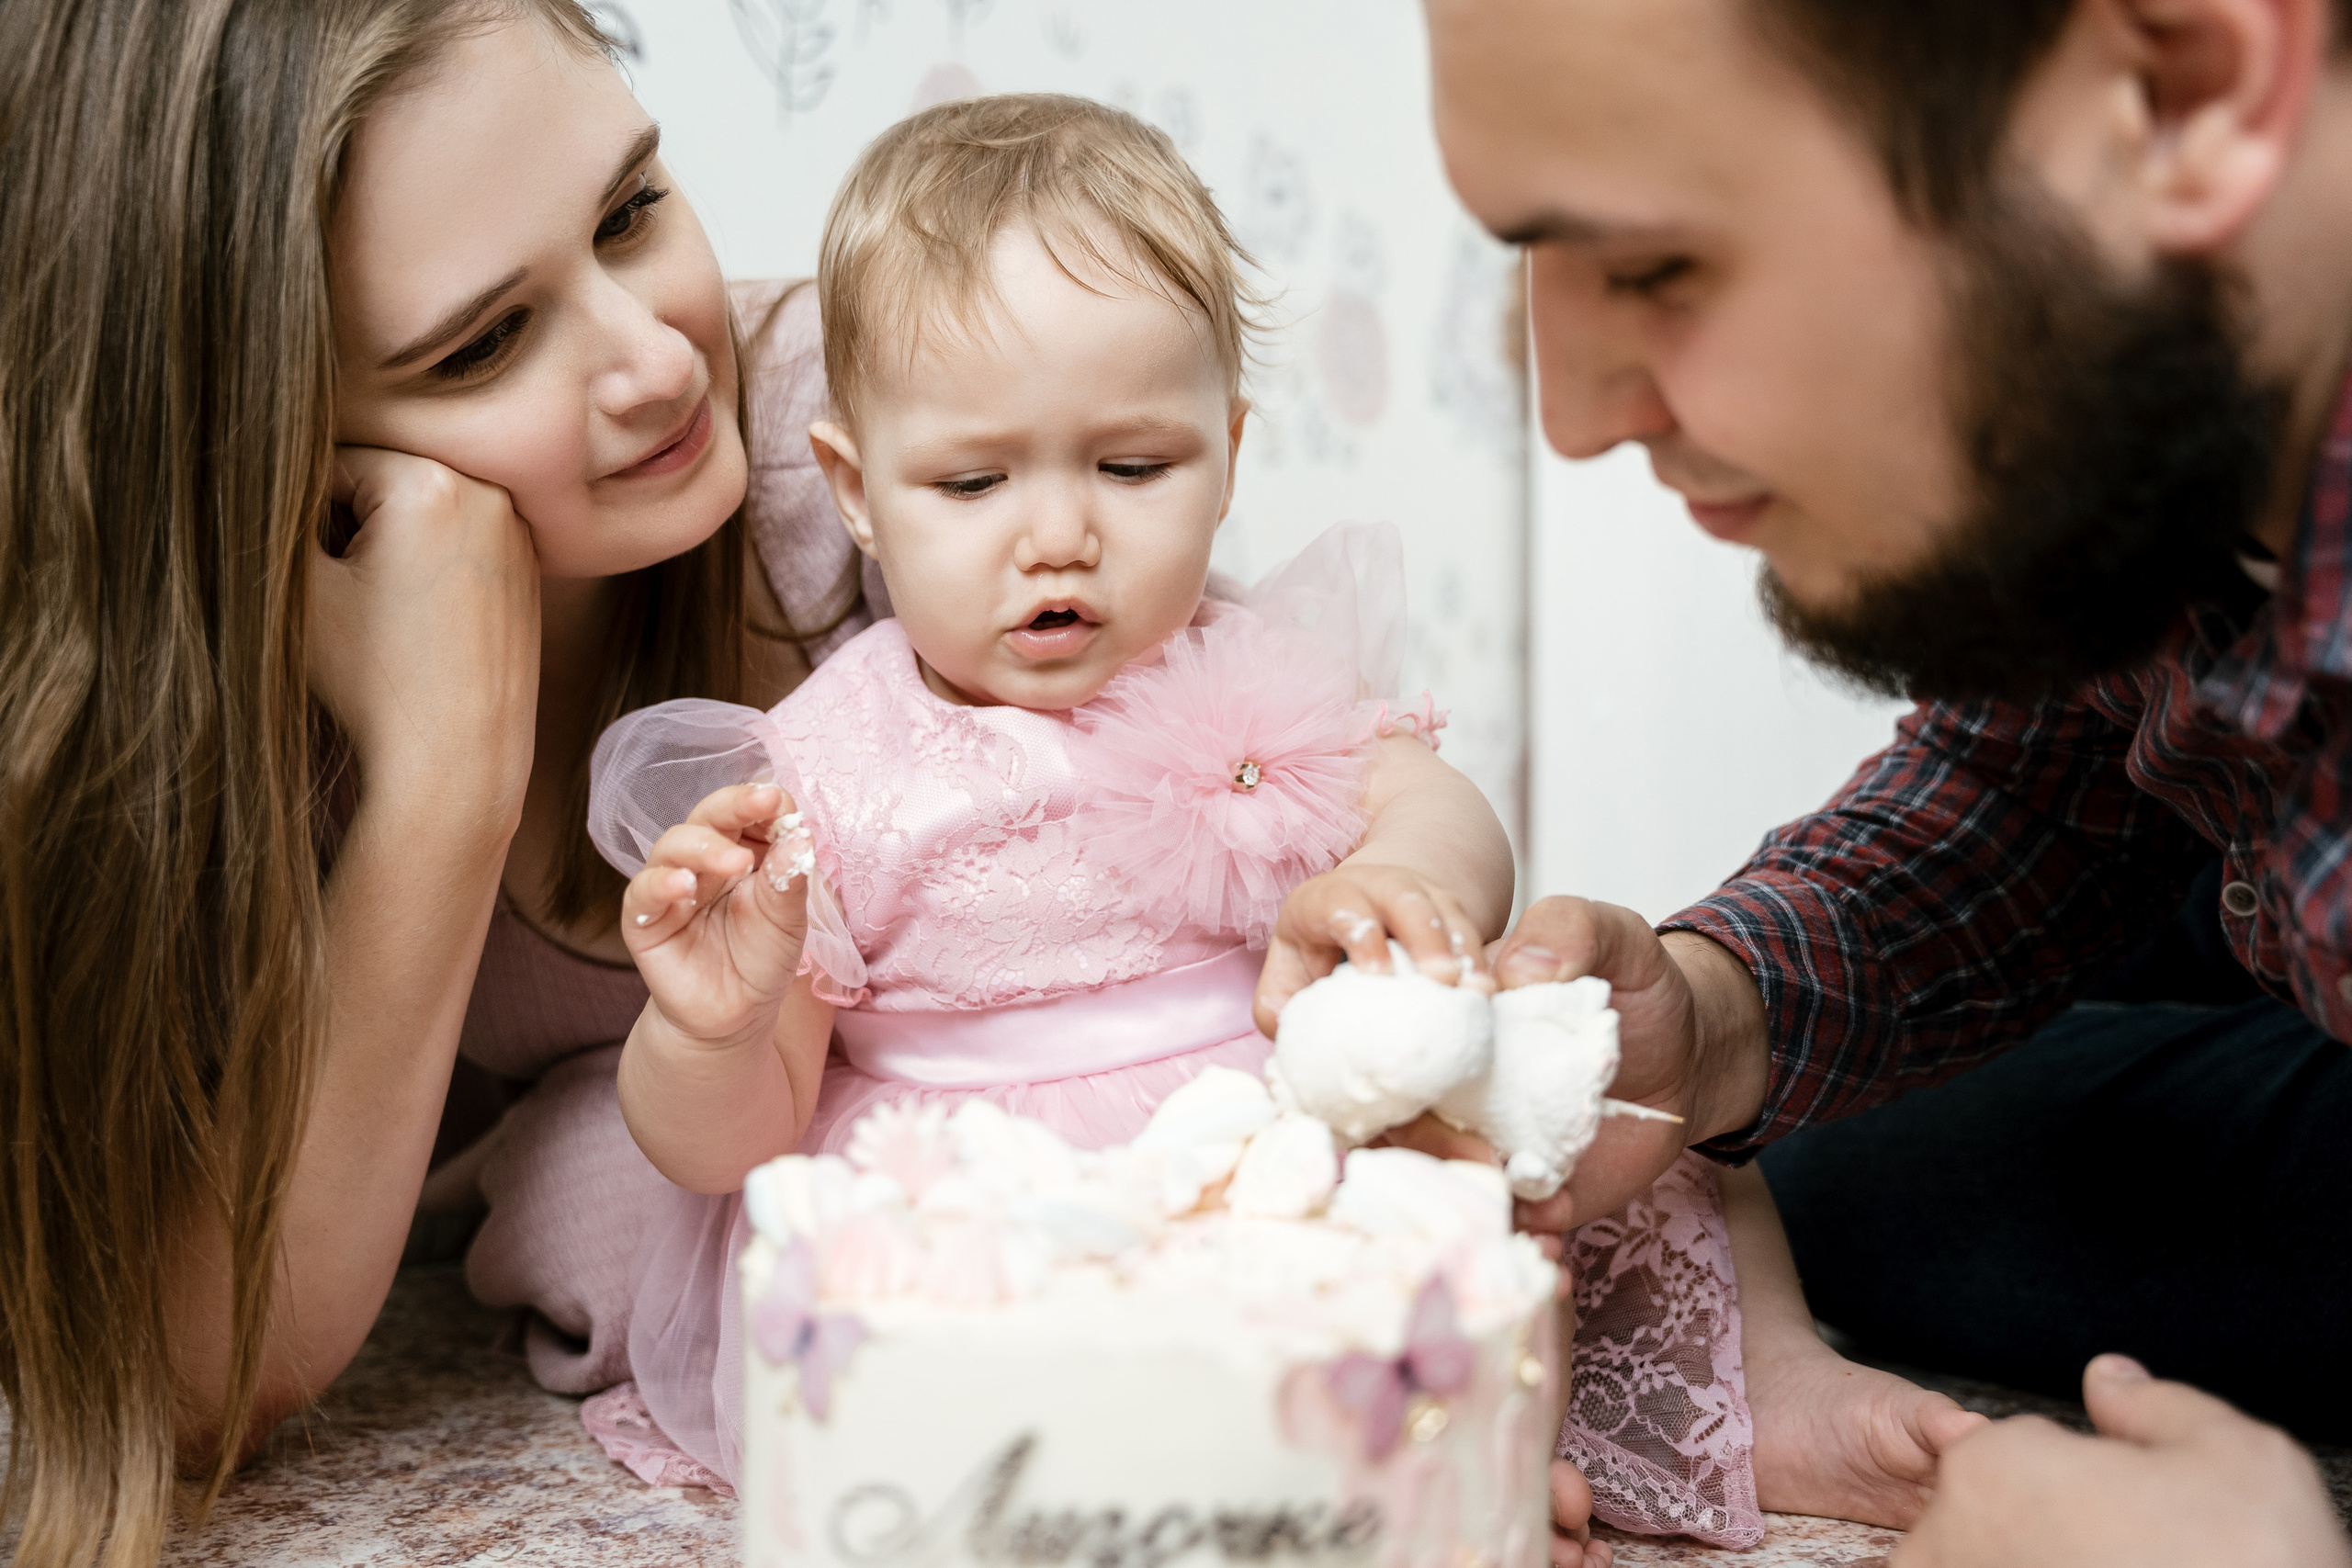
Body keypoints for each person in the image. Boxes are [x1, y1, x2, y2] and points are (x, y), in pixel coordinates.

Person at [581, 95, 1972, 1564]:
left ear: (1228, 454)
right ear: (859, 490)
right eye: (976, 483)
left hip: (1291, 1145)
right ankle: (1383, 1502)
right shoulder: (824, 773)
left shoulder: (1254, 661)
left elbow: (1430, 804)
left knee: (1638, 1139)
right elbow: (723, 1151)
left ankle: (1756, 1393)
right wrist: (714, 1032)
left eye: (1133, 467)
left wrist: (1402, 879)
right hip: (1011, 1219)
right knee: (1086, 1405)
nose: (1060, 535)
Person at [1419, 0, 2352, 1562]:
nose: (1572, 415)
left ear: (2183, 91)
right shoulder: (2165, 461)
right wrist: (1713, 1019)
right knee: (1829, 1165)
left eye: (1656, 268)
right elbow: (2048, 771)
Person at [0, 4, 867, 1562]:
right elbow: (203, 1381)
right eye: (483, 344)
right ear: (269, 453)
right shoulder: (220, 735)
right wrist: (442, 780)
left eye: (631, 211)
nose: (660, 362)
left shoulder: (870, 447)